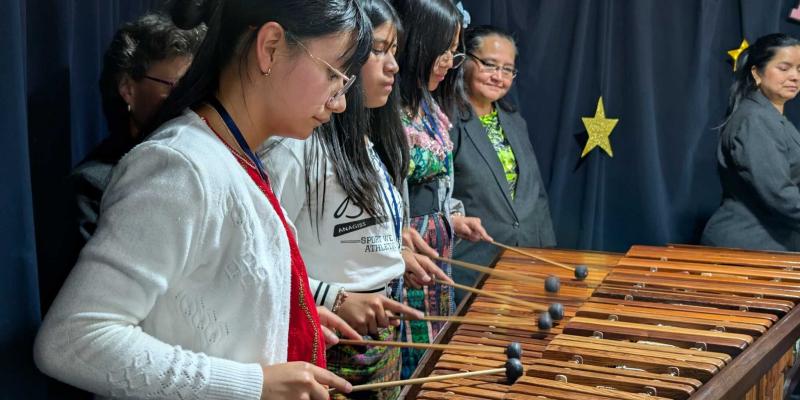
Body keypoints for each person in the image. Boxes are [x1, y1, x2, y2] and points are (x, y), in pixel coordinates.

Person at [34, 1, 372, 398]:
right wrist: (253, 385)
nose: (340, 102)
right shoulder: (180, 165)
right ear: (271, 47)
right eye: (335, 75)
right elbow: (71, 338)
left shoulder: (237, 157)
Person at [262, 1, 449, 397]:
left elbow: (347, 233)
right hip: (329, 340)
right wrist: (336, 297)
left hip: (379, 340)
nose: (393, 66)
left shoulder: (364, 140)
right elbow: (261, 264)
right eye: (378, 50)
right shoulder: (295, 147)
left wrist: (393, 252)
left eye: (394, 51)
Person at [391, 0, 491, 379]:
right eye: (441, 51)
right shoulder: (383, 108)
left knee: (436, 351)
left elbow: (440, 182)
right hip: (403, 251)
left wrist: (454, 215)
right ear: (416, 44)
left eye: (454, 51)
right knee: (409, 355)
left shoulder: (430, 104)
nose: (449, 61)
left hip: (438, 245)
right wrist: (395, 240)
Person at [72, 12, 206, 243]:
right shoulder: (90, 188)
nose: (188, 101)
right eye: (177, 87)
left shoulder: (198, 168)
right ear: (128, 89)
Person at [450, 25, 556, 298]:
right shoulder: (446, 122)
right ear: (464, 60)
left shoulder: (514, 121)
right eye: (489, 65)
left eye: (507, 69)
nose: (498, 77)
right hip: (472, 269)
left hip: (526, 262)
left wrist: (549, 255)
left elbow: (537, 197)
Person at [702, 33, 800, 251]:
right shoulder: (755, 120)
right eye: (784, 68)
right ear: (757, 73)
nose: (795, 76)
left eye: (799, 69)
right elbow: (780, 195)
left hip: (775, 245)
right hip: (749, 246)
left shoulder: (774, 118)